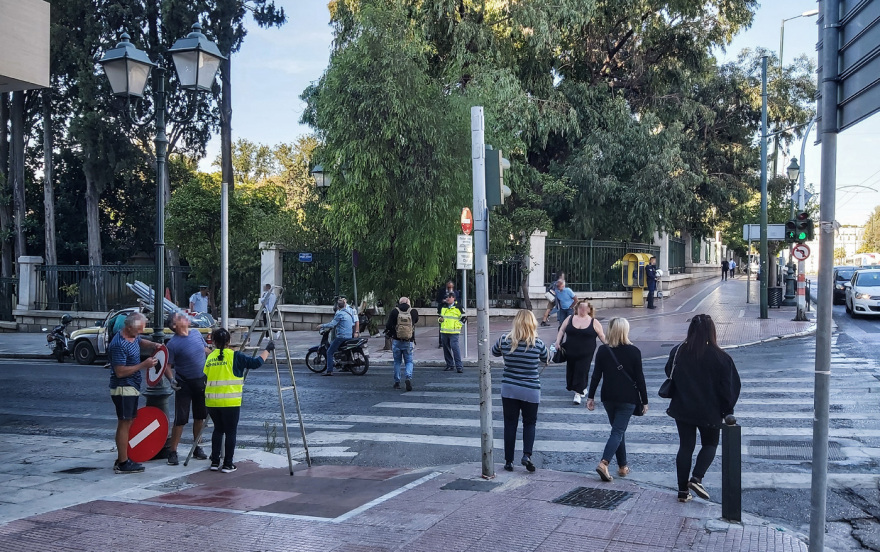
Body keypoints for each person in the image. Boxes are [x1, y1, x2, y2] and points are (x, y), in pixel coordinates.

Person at [664, 314, 741, 502]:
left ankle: (683, 491)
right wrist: (727, 410)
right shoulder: (721, 357)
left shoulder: (678, 351)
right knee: (710, 444)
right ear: (712, 332)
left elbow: (669, 372)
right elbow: (729, 388)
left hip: (682, 408)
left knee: (685, 447)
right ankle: (697, 478)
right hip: (710, 410)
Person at [586, 318, 648, 482]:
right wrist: (645, 400)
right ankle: (604, 463)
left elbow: (596, 375)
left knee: (618, 430)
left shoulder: (603, 350)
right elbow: (640, 378)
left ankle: (622, 466)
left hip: (608, 397)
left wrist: (590, 396)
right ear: (625, 331)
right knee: (618, 431)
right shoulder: (634, 351)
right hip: (627, 398)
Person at [204, 328, 273, 473]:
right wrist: (267, 350)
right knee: (230, 432)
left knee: (218, 430)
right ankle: (228, 464)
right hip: (230, 402)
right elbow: (256, 363)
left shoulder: (210, 357)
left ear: (214, 342)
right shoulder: (235, 356)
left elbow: (205, 377)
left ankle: (215, 462)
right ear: (229, 341)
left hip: (211, 402)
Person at [492, 310, 549, 472]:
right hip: (531, 390)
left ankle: (508, 461)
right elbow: (547, 358)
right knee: (529, 423)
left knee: (510, 424)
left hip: (509, 389)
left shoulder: (504, 340)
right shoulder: (537, 343)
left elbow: (494, 352)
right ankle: (526, 455)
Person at [108, 312, 160, 474]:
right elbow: (120, 372)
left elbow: (139, 341)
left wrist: (152, 345)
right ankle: (123, 462)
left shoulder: (132, 336)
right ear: (129, 327)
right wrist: (143, 365)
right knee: (125, 423)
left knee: (128, 422)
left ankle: (123, 458)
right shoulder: (119, 344)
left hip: (131, 386)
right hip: (124, 387)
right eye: (138, 330)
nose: (139, 334)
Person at [164, 312, 211, 466]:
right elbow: (167, 366)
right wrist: (171, 380)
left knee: (200, 417)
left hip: (201, 382)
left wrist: (219, 356)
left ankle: (197, 447)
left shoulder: (196, 334)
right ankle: (173, 451)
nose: (185, 317)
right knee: (181, 419)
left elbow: (206, 351)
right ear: (174, 326)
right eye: (180, 317)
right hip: (184, 384)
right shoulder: (172, 344)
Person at [555, 300, 606, 405]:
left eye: (585, 308)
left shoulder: (594, 322)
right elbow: (562, 330)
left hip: (586, 352)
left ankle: (578, 393)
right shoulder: (570, 318)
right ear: (576, 308)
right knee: (572, 371)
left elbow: (602, 336)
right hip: (570, 351)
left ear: (589, 309)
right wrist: (557, 342)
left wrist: (610, 346)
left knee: (581, 370)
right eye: (580, 307)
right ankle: (583, 387)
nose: (582, 310)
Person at [385, 296, 419, 391]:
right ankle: (408, 377)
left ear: (399, 302)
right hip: (409, 341)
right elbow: (416, 321)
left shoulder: (395, 311)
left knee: (397, 362)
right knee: (409, 361)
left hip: (396, 340)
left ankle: (397, 382)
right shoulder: (413, 311)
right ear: (408, 302)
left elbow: (388, 325)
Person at [318, 297, 358, 376]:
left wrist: (321, 326)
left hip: (341, 337)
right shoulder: (349, 313)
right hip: (349, 335)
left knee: (329, 352)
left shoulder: (340, 314)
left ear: (338, 306)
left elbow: (332, 324)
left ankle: (329, 371)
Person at [439, 291, 464, 373]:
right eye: (446, 297)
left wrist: (457, 326)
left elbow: (464, 318)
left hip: (454, 332)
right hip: (444, 331)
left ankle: (459, 366)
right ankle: (449, 365)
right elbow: (439, 317)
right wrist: (440, 320)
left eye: (449, 297)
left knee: (455, 348)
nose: (447, 299)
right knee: (446, 349)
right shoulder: (443, 307)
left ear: (453, 298)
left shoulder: (458, 307)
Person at [436, 281, 460, 347]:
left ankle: (450, 341)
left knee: (451, 327)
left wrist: (453, 301)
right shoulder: (442, 291)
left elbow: (458, 301)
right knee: (442, 326)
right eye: (449, 287)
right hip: (443, 310)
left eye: (451, 287)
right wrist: (444, 300)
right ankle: (441, 342)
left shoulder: (456, 292)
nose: (450, 288)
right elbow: (438, 299)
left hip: (452, 312)